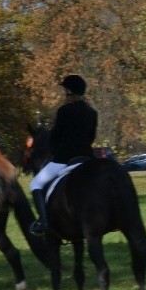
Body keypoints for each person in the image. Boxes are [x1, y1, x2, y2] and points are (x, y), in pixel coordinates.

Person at [29, 74, 97, 233]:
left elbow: (55, 137)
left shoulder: (64, 111)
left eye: (65, 89)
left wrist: (55, 152)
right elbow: (91, 137)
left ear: (69, 92)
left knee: (35, 184)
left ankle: (44, 223)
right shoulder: (92, 113)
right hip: (86, 159)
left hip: (64, 160)